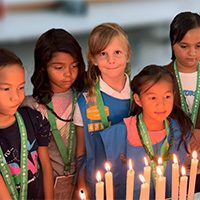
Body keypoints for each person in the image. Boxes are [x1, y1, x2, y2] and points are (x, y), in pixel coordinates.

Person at [99, 65, 193, 199]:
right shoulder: (119, 134)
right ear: (138, 100)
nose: (161, 104)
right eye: (153, 98)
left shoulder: (180, 131)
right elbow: (109, 182)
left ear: (174, 96)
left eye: (167, 96)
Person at [22, 28, 86, 199]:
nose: (68, 74)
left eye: (74, 66)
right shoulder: (30, 106)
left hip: (82, 183)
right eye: (59, 67)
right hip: (45, 189)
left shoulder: (85, 100)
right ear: (43, 68)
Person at [73, 22, 132, 199]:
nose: (111, 60)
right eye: (103, 54)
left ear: (128, 55)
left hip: (137, 182)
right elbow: (81, 153)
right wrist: (82, 186)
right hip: (99, 187)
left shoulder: (142, 95)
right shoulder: (84, 103)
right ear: (92, 58)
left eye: (117, 53)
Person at [0, 48, 54, 199]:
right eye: (6, 88)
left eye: (21, 87)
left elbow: (46, 166)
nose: (16, 96)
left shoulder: (33, 119)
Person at [163, 11, 200, 192]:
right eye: (184, 46)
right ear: (172, 43)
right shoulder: (159, 77)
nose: (192, 53)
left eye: (199, 46)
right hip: (172, 163)